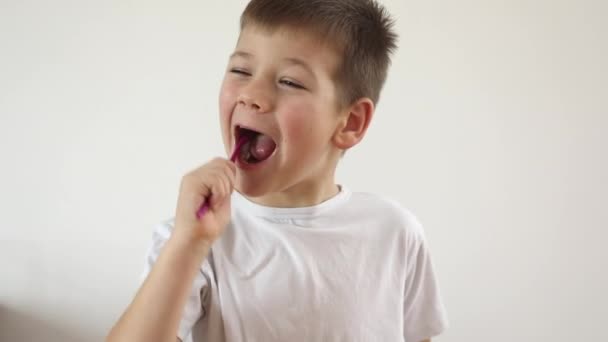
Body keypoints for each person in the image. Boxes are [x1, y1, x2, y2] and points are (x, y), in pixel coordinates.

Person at [107, 0, 448, 341]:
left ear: (350, 122)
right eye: (241, 71)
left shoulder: (395, 233)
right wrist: (187, 244)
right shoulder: (192, 240)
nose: (252, 95)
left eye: (290, 82)